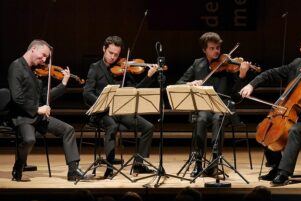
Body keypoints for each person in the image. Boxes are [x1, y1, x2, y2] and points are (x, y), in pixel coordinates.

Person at [239, 29, 301, 186]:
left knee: (295, 130)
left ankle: (284, 173)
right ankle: (275, 167)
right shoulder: (296, 64)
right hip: (294, 114)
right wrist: (251, 85)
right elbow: (271, 74)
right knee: (264, 127)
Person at [8, 39, 89, 182]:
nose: (45, 60)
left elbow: (46, 97)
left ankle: (73, 171)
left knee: (68, 130)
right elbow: (17, 98)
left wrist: (63, 84)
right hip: (22, 116)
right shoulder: (16, 67)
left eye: (46, 57)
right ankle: (19, 165)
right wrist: (37, 109)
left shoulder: (38, 71)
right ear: (33, 49)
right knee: (29, 139)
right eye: (43, 55)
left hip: (38, 117)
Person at [176, 32, 250, 177]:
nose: (217, 51)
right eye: (212, 48)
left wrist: (241, 76)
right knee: (202, 118)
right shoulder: (197, 64)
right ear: (204, 50)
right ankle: (198, 163)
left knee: (218, 117)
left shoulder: (228, 66)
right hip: (203, 107)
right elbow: (179, 83)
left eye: (218, 48)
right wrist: (191, 83)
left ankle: (215, 161)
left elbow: (235, 95)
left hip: (222, 107)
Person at [83, 35, 158, 178]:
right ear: (104, 49)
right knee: (112, 126)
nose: (113, 57)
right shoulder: (95, 68)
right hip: (102, 112)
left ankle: (138, 164)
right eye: (110, 53)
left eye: (116, 54)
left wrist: (148, 76)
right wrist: (104, 103)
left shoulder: (124, 69)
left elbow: (135, 90)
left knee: (148, 127)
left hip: (120, 111)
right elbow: (87, 93)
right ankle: (109, 167)